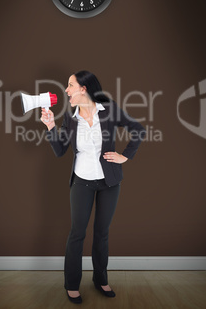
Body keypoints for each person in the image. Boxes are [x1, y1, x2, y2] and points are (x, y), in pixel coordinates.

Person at [41, 70, 145, 304]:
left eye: (70, 85)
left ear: (84, 89)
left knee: (102, 234)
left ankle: (100, 279)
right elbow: (59, 152)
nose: (66, 90)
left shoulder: (110, 111)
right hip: (81, 182)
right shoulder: (70, 118)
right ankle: (71, 284)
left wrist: (125, 156)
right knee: (77, 234)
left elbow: (139, 130)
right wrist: (50, 126)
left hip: (109, 182)